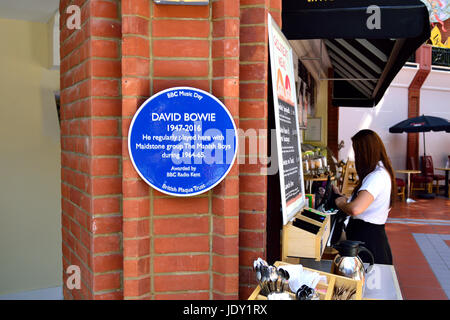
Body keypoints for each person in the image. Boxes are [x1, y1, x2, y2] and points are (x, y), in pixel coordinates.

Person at [334, 129, 396, 265]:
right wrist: (343, 198)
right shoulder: (379, 172)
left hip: (369, 243)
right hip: (367, 238)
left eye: (357, 152)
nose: (356, 157)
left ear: (365, 152)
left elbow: (356, 208)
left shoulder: (377, 176)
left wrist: (341, 203)